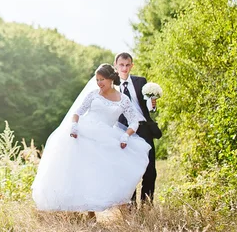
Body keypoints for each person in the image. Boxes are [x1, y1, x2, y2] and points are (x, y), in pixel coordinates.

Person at [32, 64, 151, 213]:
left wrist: (126, 135)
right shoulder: (93, 94)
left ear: (111, 79)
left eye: (102, 80)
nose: (99, 83)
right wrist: (74, 125)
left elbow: (134, 120)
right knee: (83, 171)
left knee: (107, 173)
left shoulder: (123, 99)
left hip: (106, 136)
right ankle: (89, 214)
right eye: (97, 80)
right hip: (84, 133)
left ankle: (123, 212)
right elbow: (78, 112)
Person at [114, 52, 162, 204]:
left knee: (149, 170)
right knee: (129, 170)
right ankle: (131, 206)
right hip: (123, 131)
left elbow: (147, 106)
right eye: (121, 65)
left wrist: (152, 105)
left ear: (132, 66)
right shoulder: (112, 86)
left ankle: (147, 204)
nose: (124, 68)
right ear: (116, 66)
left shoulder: (141, 82)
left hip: (143, 128)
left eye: (128, 65)